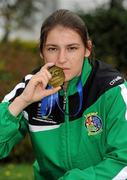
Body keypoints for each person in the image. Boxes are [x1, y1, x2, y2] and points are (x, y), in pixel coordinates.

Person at [0, 9, 127, 180]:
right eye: (52, 48)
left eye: (72, 48)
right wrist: (22, 101)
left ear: (87, 49)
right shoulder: (30, 86)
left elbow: (123, 162)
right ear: (41, 52)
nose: (62, 59)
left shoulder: (112, 89)